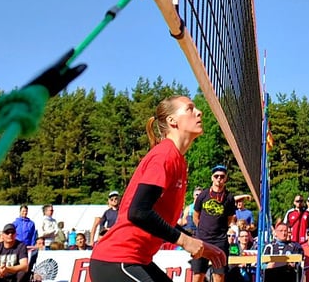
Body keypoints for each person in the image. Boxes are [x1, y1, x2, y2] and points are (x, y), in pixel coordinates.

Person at [89, 95, 225, 282]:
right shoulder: (165, 155)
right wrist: (186, 241)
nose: (199, 112)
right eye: (190, 108)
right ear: (172, 121)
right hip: (117, 260)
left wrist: (197, 242)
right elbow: (138, 212)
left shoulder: (178, 160)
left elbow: (160, 220)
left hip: (135, 260)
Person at [192, 164, 251, 282]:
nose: (219, 179)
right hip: (202, 239)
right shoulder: (203, 195)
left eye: (222, 176)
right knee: (198, 274)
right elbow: (195, 215)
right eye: (216, 176)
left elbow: (230, 219)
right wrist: (202, 229)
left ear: (225, 179)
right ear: (212, 178)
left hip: (219, 240)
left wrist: (220, 230)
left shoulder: (229, 198)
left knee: (219, 276)